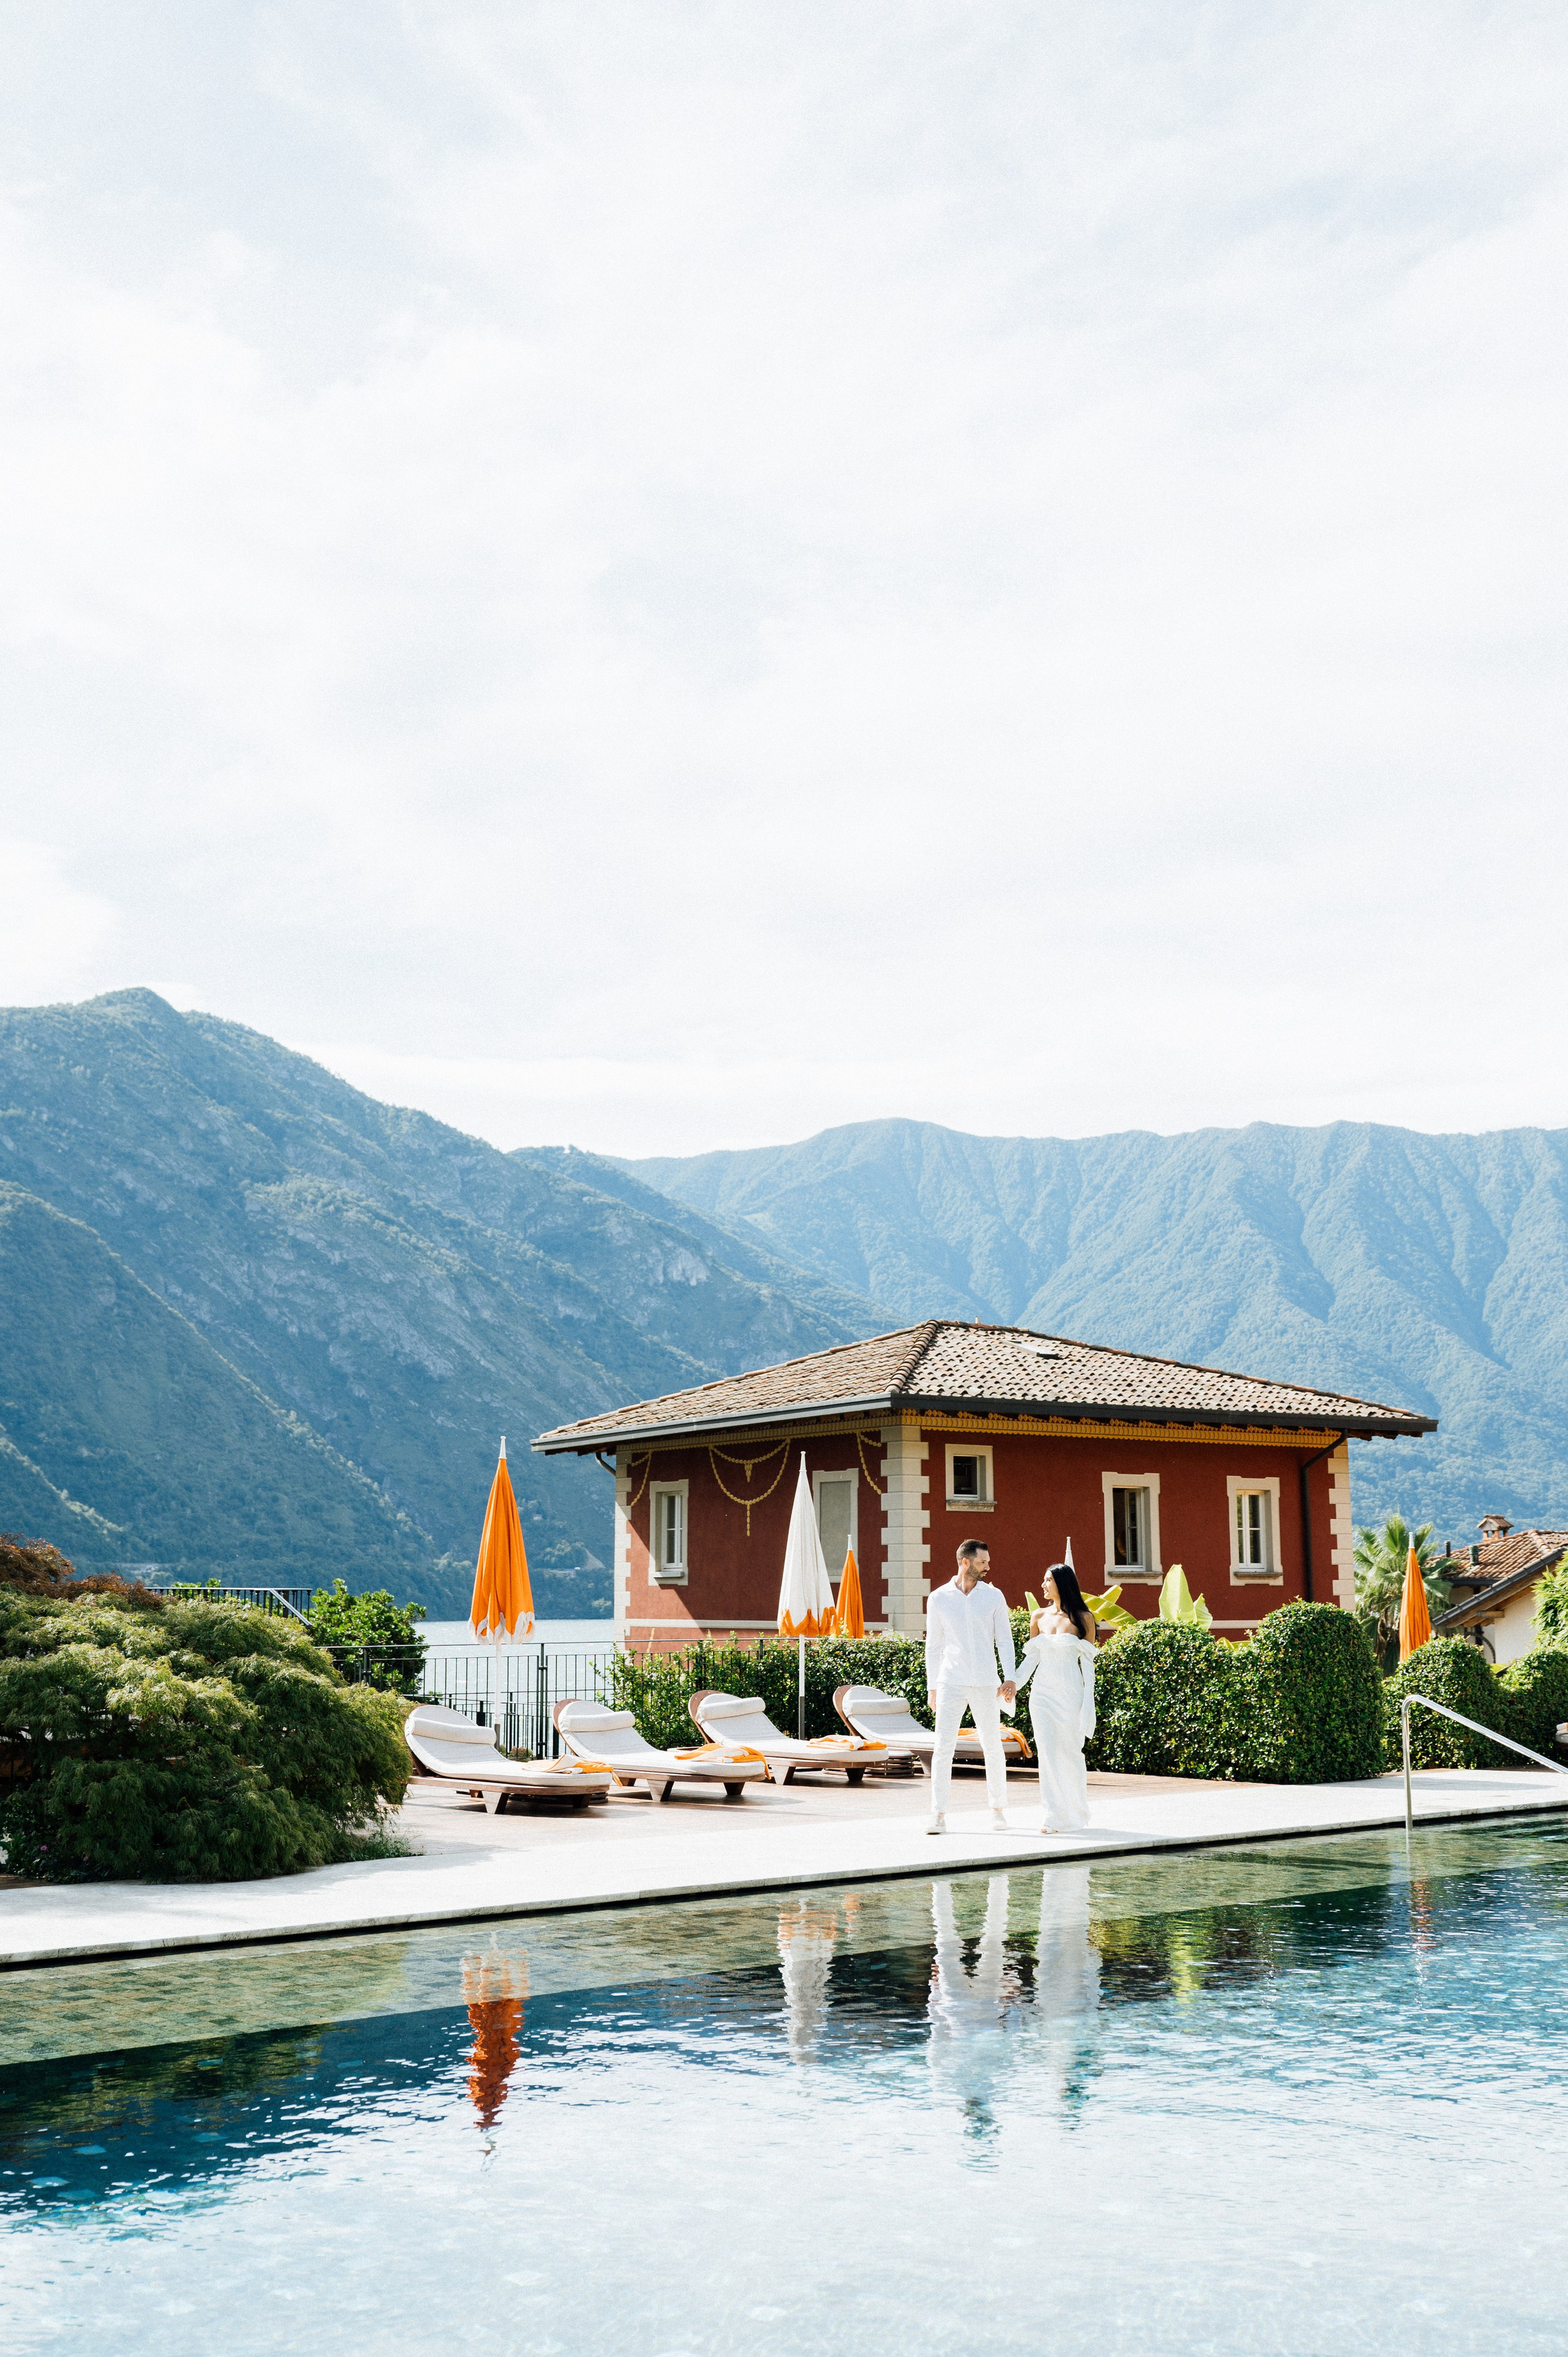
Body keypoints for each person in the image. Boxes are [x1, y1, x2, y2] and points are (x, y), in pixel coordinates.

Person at [924, 1539, 1017, 1835]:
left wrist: (1011, 1677)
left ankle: (998, 1811)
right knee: (943, 1748)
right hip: (950, 1682)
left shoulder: (994, 1596)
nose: (988, 1566)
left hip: (987, 1683)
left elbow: (1005, 1640)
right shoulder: (938, 1598)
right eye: (982, 1562)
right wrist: (932, 1687)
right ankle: (938, 1814)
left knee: (992, 1746)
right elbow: (933, 1646)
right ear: (965, 1562)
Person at [1009, 1562, 1097, 1833]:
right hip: (1042, 1696)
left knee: (1070, 1753)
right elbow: (1032, 1658)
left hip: (1071, 1694)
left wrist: (1089, 1704)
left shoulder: (1084, 1618)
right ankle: (1053, 1816)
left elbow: (1089, 1666)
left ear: (1062, 1583)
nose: (1043, 1585)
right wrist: (1014, 1683)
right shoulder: (1038, 1616)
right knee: (1047, 1754)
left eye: (1048, 1580)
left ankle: (1076, 1812)